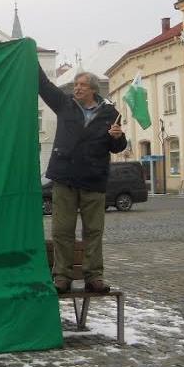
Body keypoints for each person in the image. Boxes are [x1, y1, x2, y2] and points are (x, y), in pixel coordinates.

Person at [38, 66, 127, 293]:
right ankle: (61, 277)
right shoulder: (64, 104)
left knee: (94, 231)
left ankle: (94, 277)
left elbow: (116, 147)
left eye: (82, 85)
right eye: (76, 85)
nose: (77, 88)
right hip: (65, 177)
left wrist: (118, 137)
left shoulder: (110, 113)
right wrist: (32, 58)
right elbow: (45, 86)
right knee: (62, 230)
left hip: (93, 179)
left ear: (93, 90)